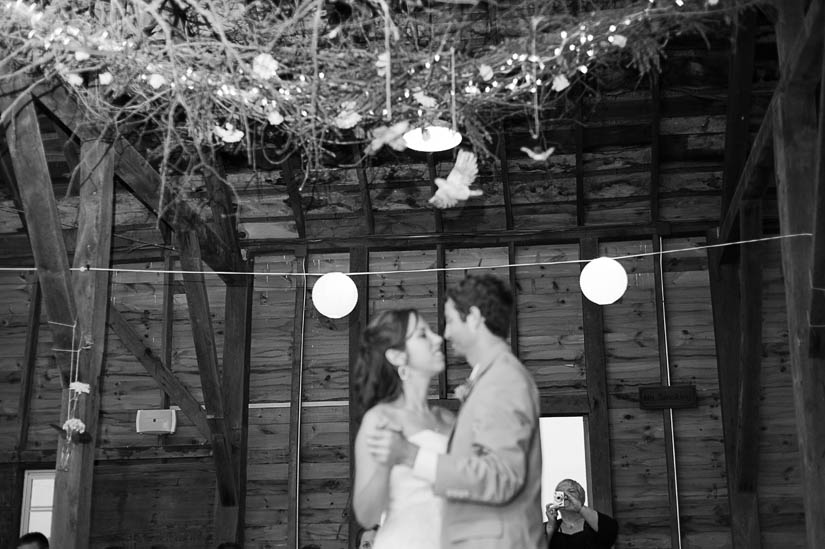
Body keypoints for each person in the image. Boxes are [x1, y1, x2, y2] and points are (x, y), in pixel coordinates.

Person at [367, 274, 544, 549]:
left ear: (473, 317)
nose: (446, 333)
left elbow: (501, 475)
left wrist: (411, 455)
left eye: (450, 320)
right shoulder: (490, 380)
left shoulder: (503, 380)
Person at [352, 308, 455, 549]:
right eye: (423, 335)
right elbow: (367, 516)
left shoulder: (449, 419)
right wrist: (385, 464)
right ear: (398, 356)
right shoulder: (381, 419)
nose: (437, 338)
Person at [544, 479, 618, 548]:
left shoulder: (592, 525)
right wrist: (550, 527)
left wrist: (580, 508)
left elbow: (610, 530)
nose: (566, 496)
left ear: (581, 497)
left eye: (571, 492)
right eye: (560, 494)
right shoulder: (548, 527)